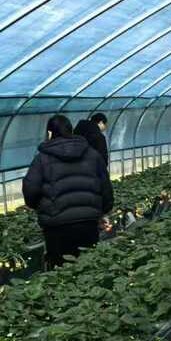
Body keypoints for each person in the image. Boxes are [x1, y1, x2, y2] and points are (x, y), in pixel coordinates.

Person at [22, 114, 114, 269]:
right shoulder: (92, 155)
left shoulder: (42, 159)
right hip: (88, 223)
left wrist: (40, 206)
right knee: (88, 267)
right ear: (71, 131)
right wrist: (103, 211)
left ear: (50, 133)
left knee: (60, 271)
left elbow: (30, 190)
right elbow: (105, 187)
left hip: (56, 226)